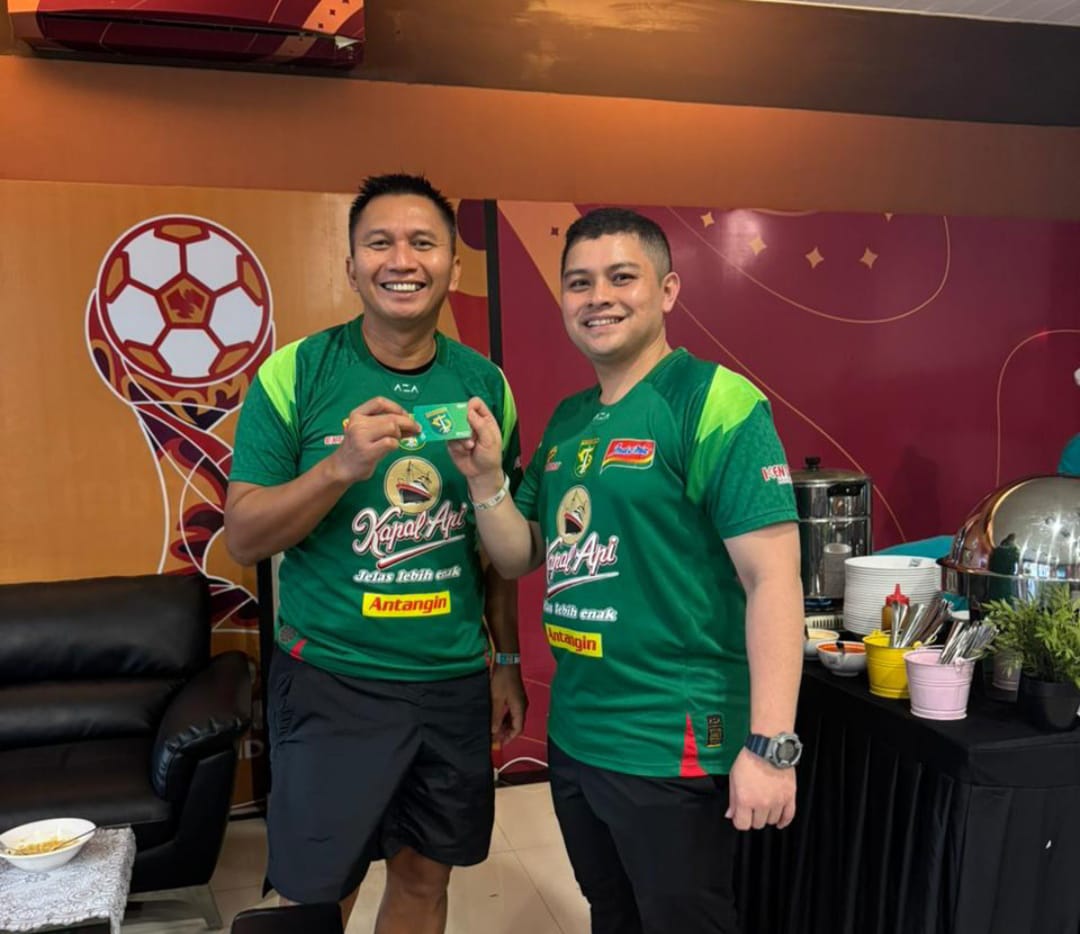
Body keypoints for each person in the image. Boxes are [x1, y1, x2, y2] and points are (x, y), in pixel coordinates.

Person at [448, 207, 805, 934]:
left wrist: (771, 747)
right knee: (612, 914)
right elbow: (520, 553)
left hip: (673, 738)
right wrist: (485, 479)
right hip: (578, 734)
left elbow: (774, 580)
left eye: (621, 278)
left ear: (668, 291)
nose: (598, 297)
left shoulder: (716, 402)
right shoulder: (569, 419)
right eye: (579, 283)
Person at [224, 173, 526, 934]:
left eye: (424, 242)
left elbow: (499, 543)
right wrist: (338, 468)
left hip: (450, 682)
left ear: (452, 265)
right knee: (314, 895)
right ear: (351, 265)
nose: (402, 260)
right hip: (333, 681)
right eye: (379, 242)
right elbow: (244, 536)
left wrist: (505, 661)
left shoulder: (485, 384)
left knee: (425, 878)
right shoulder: (297, 373)